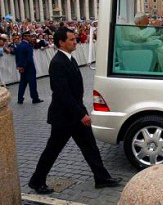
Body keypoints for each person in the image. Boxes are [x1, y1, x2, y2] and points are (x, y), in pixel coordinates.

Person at [28, 27, 121, 195]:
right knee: (52, 150)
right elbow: (62, 93)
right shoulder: (57, 63)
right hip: (64, 117)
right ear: (61, 42)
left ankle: (101, 178)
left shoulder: (69, 59)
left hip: (75, 113)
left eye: (74, 38)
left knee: (90, 147)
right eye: (71, 39)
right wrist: (81, 114)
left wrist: (81, 111)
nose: (75, 41)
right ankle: (37, 181)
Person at [15, 31, 43, 104]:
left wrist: (19, 67)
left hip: (22, 68)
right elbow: (29, 59)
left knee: (22, 84)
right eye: (29, 36)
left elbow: (17, 57)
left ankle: (20, 99)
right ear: (24, 37)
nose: (31, 38)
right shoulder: (28, 46)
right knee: (32, 84)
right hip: (29, 68)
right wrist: (24, 67)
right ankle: (35, 98)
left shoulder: (19, 45)